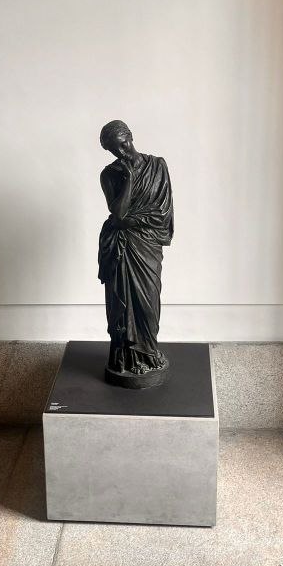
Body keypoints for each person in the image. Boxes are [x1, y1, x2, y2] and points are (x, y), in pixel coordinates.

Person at [98, 120, 174, 380]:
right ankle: (128, 359)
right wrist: (129, 179)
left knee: (149, 301)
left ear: (130, 136)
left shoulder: (158, 166)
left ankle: (149, 352)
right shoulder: (109, 175)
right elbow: (118, 214)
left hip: (147, 245)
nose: (120, 152)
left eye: (123, 144)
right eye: (113, 150)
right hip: (121, 248)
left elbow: (162, 214)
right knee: (123, 303)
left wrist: (133, 220)